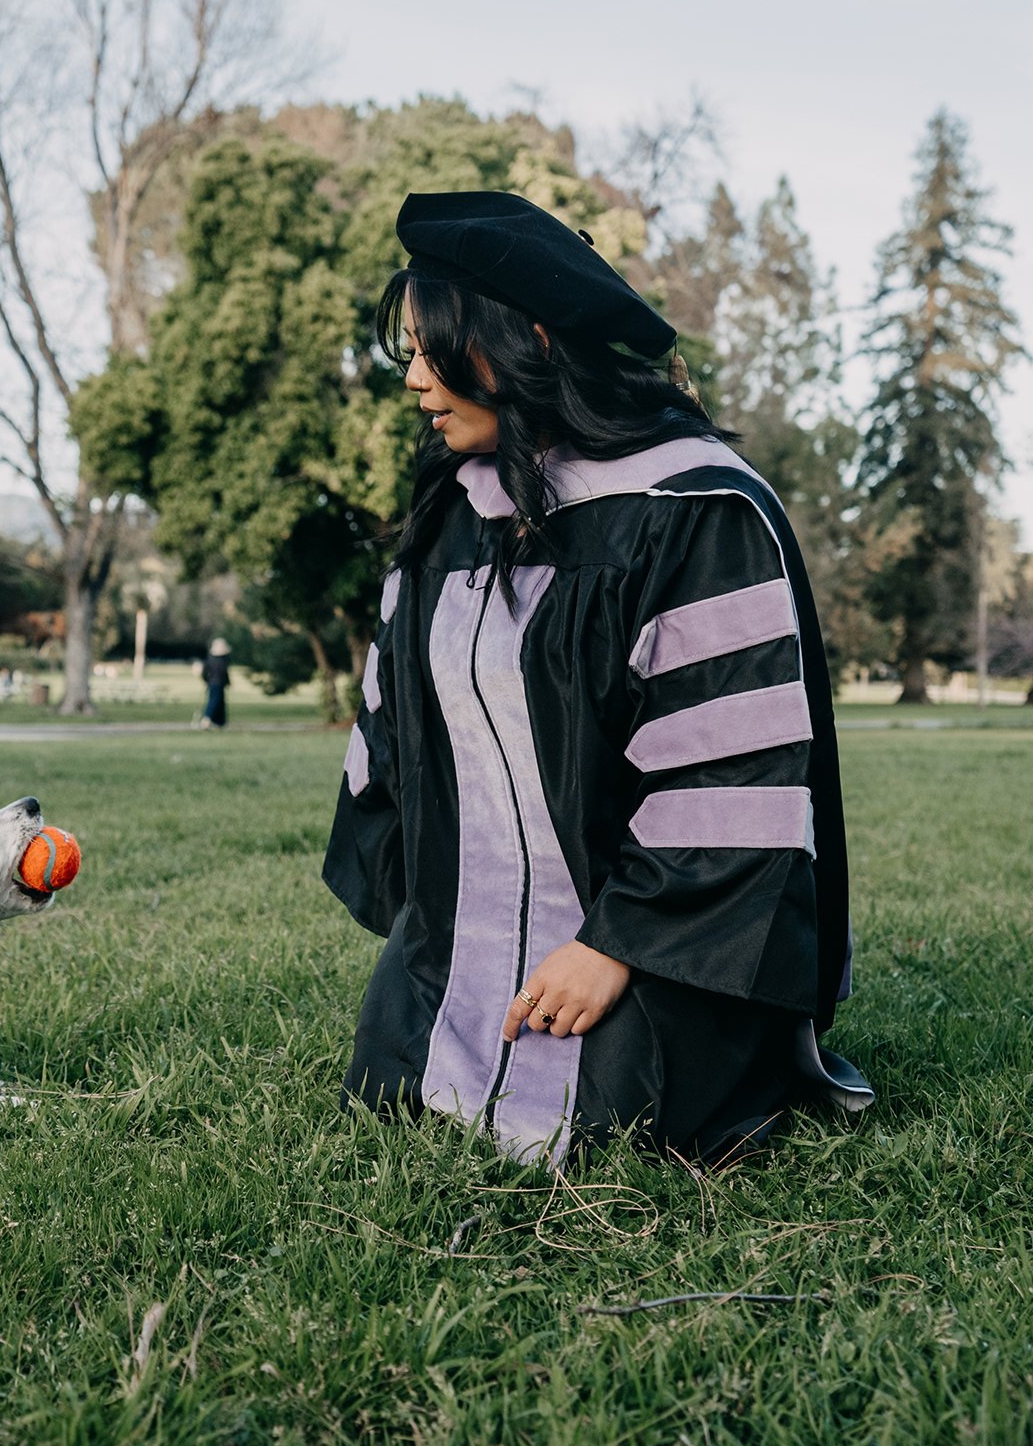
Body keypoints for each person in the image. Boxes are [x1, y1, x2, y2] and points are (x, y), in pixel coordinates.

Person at [325, 191, 871, 1168]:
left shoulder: (692, 505)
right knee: (399, 1091)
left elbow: (730, 774)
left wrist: (613, 945)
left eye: (430, 346)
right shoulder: (449, 514)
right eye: (403, 348)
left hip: (645, 953)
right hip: (459, 941)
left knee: (621, 1121)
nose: (411, 378)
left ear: (526, 337)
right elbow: (397, 738)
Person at [199, 637, 231, 729]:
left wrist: (206, 680)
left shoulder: (210, 659)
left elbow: (204, 673)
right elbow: (224, 673)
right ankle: (207, 719)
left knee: (219, 702)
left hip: (213, 683)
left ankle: (219, 721)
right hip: (217, 683)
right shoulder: (223, 661)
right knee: (214, 702)